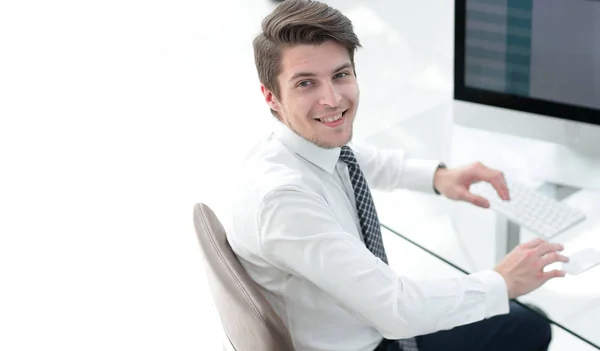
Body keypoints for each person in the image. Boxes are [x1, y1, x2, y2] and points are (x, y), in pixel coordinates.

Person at [229, 1, 568, 350]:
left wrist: (439, 177)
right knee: (530, 325)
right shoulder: (285, 202)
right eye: (306, 84)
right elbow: (397, 311)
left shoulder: (297, 147)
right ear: (271, 96)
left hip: (360, 317)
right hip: (371, 339)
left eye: (340, 75)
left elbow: (360, 159)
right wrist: (503, 281)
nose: (331, 99)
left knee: (520, 319)